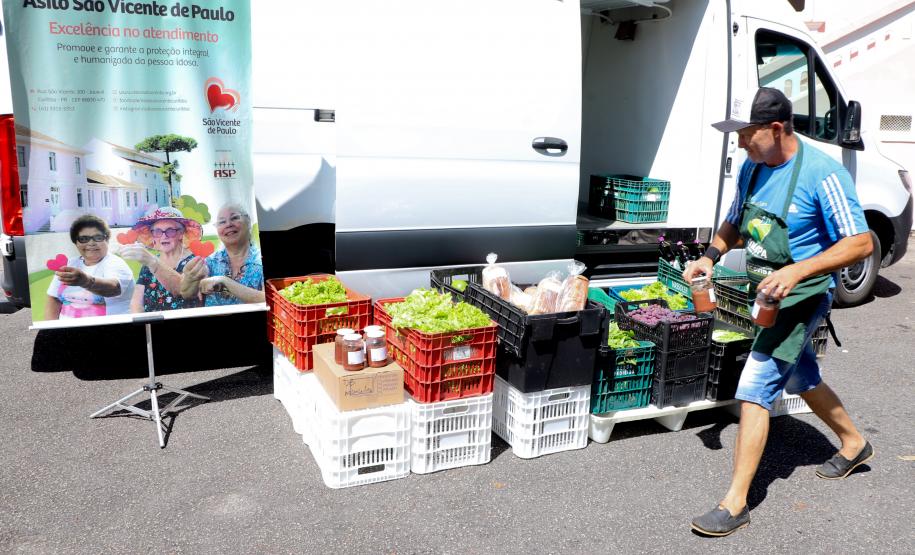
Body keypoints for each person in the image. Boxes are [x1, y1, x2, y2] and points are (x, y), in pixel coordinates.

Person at [685, 87, 875, 537]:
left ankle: (736, 503)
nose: (740, 144)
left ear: (776, 129)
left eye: (746, 135)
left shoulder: (822, 174)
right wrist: (709, 256)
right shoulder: (753, 168)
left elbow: (861, 242)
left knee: (756, 384)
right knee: (799, 375)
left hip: (803, 295)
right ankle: (855, 443)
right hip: (767, 296)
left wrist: (798, 270)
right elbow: (735, 222)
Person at [45, 215, 135, 320]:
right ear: (76, 243)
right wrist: (51, 329)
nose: (91, 243)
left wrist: (85, 281)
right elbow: (54, 298)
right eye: (84, 239)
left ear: (107, 239)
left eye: (98, 237)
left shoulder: (116, 263)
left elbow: (113, 288)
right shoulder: (70, 263)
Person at [179, 202, 265, 306]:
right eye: (222, 222)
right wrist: (190, 278)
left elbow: (267, 298)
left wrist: (224, 282)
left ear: (248, 221)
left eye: (234, 218)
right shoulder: (211, 261)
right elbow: (186, 293)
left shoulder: (259, 260)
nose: (228, 224)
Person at [120, 207, 202, 313]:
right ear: (152, 236)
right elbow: (136, 303)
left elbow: (182, 289)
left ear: (181, 234)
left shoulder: (194, 261)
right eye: (157, 231)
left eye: (170, 231)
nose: (164, 236)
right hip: (151, 325)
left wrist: (152, 261)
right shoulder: (147, 265)